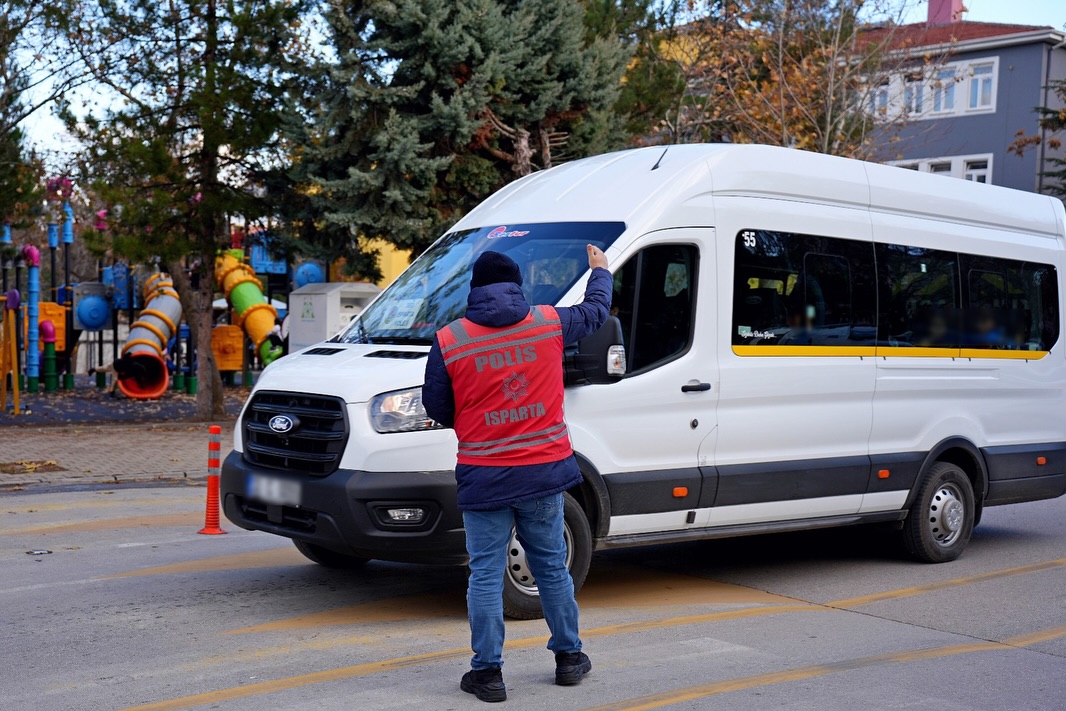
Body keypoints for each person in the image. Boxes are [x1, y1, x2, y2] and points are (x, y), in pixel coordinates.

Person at [422, 245, 611, 703]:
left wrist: (477, 417)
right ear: (516, 286)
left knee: (485, 574)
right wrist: (600, 271)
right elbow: (595, 312)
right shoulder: (548, 323)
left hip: (484, 476)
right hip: (543, 474)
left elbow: (436, 406)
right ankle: (569, 658)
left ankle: (487, 674)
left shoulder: (450, 340)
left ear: (475, 290)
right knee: (550, 567)